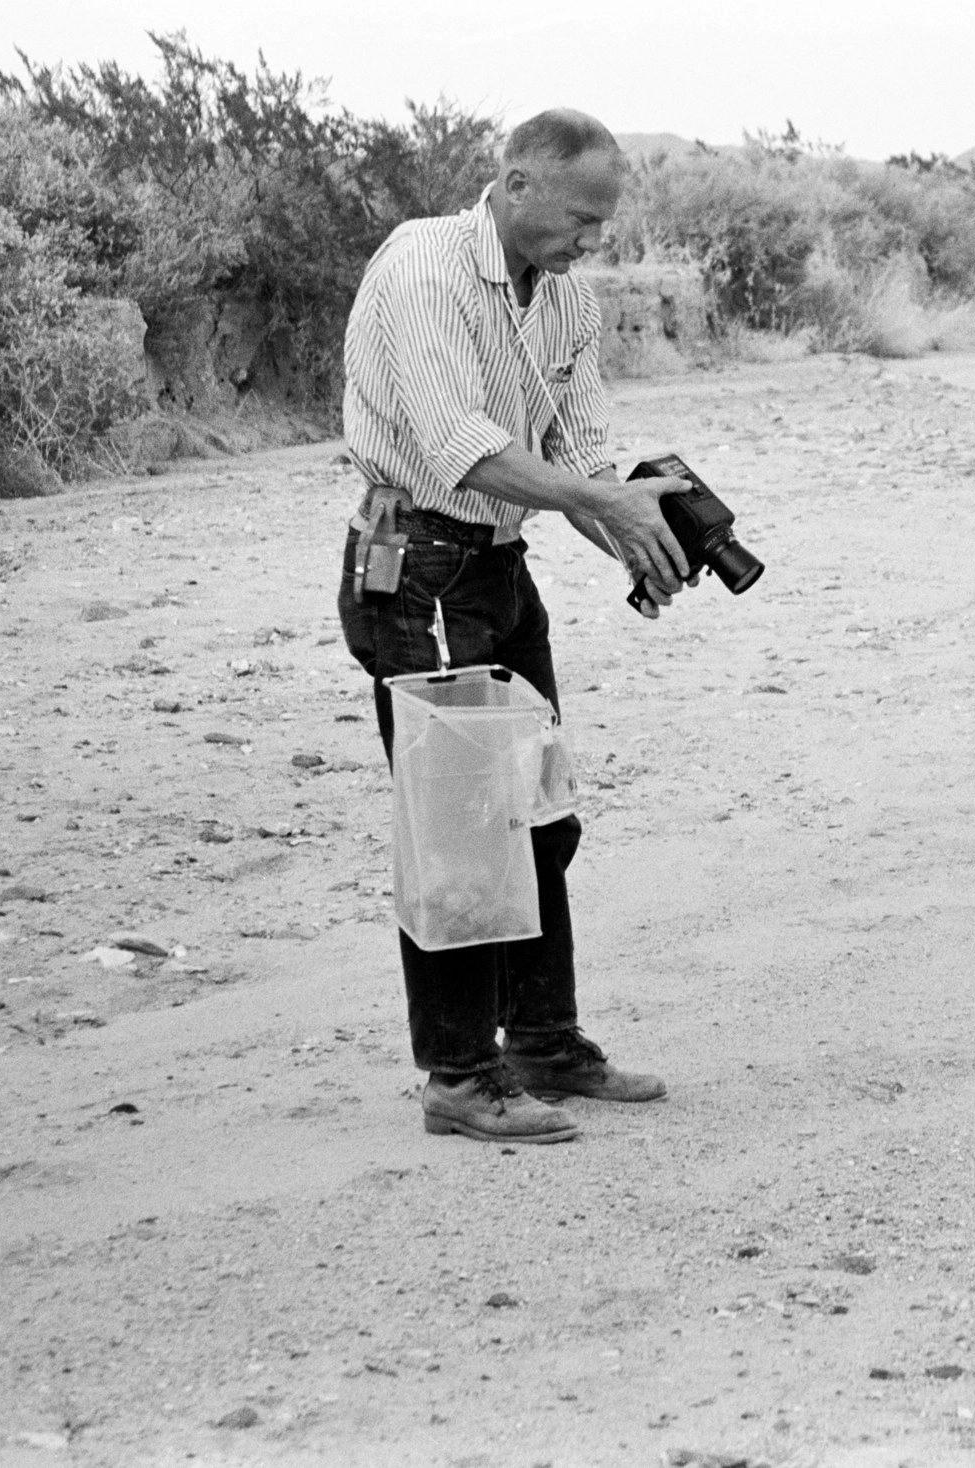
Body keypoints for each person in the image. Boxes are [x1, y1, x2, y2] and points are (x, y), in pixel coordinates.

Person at [336, 108, 695, 1143]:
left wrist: (637, 534)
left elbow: (580, 462)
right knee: (459, 821)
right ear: (515, 183)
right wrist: (604, 507)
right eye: (582, 217)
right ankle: (457, 1074)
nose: (594, 239)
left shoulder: (569, 303)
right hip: (417, 570)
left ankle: (541, 1038)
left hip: (495, 565)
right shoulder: (424, 271)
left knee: (542, 812)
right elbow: (461, 450)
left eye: (605, 221)